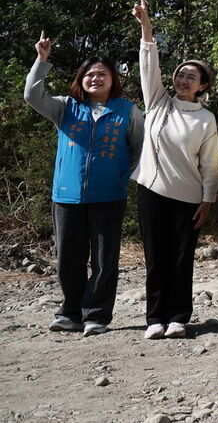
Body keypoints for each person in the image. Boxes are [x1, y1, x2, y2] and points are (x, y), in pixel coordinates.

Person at [23, 33, 143, 336]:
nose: (95, 78)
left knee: (104, 260)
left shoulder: (127, 111)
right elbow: (32, 96)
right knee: (68, 259)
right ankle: (70, 313)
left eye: (102, 74)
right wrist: (41, 60)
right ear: (81, 79)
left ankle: (97, 315)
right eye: (89, 74)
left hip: (108, 196)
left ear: (113, 79)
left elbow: (138, 149)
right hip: (67, 195)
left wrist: (119, 176)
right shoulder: (66, 107)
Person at [132, 0, 218, 340]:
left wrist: (208, 201)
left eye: (191, 77)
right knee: (156, 258)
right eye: (180, 74)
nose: (183, 79)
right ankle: (155, 317)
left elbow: (210, 164)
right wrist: (146, 27)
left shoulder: (206, 119)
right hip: (151, 192)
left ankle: (179, 317)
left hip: (188, 198)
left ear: (203, 86)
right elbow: (148, 65)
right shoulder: (158, 102)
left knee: (182, 259)